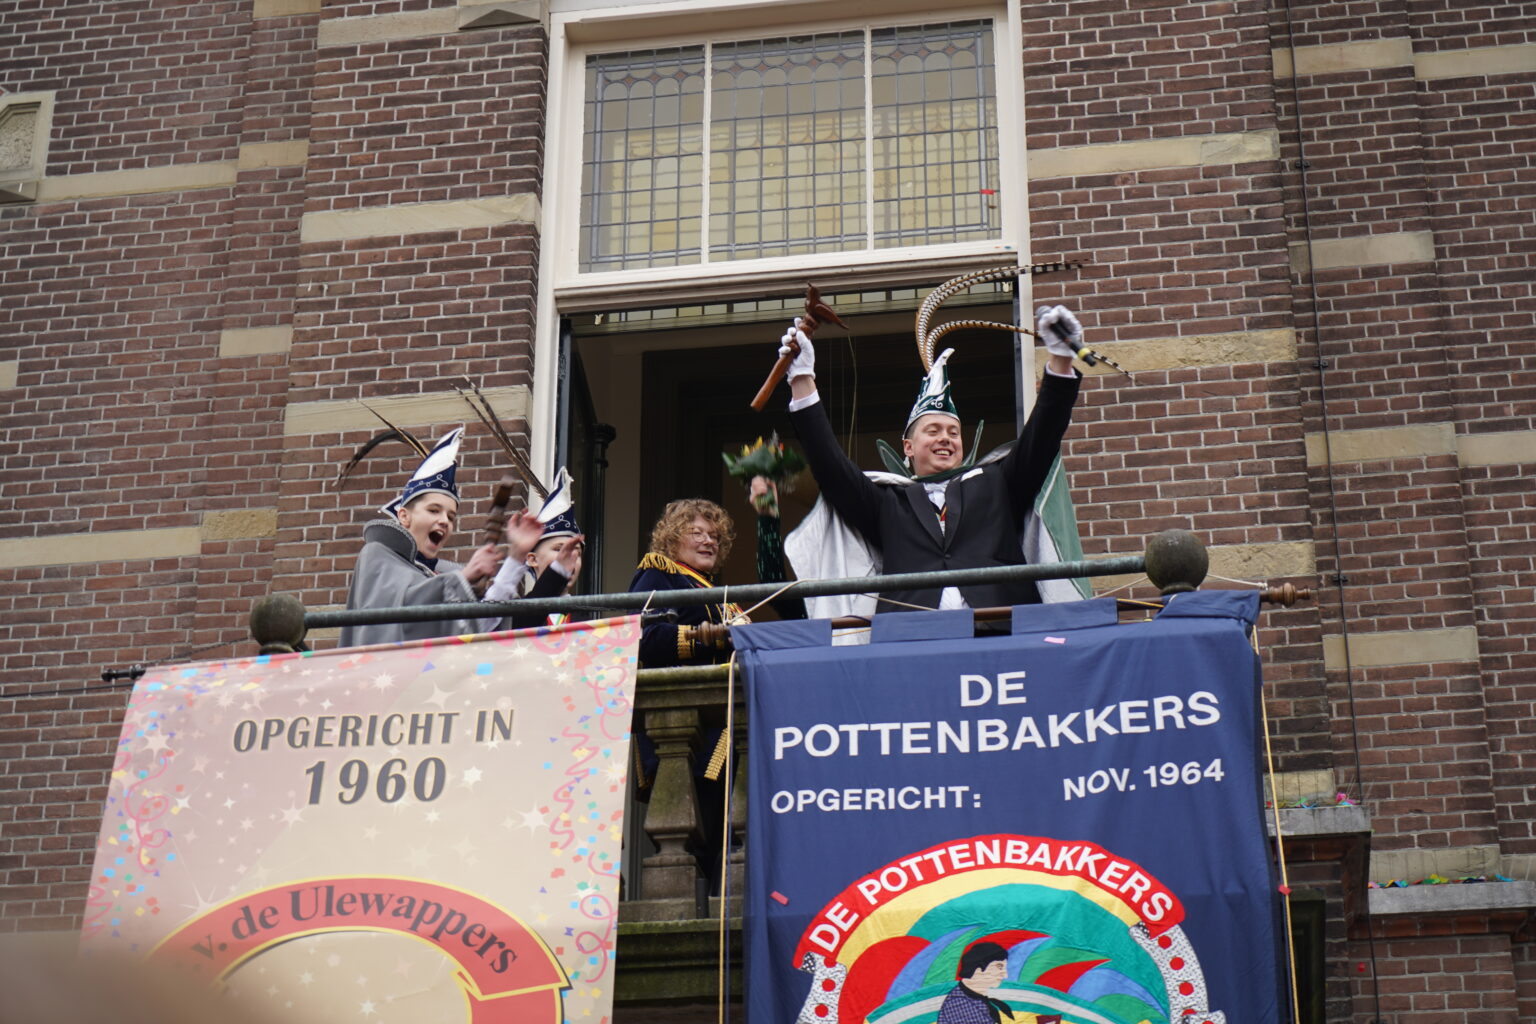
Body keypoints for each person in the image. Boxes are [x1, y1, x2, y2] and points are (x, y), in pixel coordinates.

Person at [778, 305, 1085, 615]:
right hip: (913, 636)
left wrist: (1060, 360)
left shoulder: (998, 483)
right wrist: (802, 378)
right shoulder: (887, 503)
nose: (945, 438)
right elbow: (831, 469)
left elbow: (1042, 438)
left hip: (1000, 628)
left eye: (953, 432)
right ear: (908, 447)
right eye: (933, 431)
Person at [338, 427, 542, 648]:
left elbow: (478, 630)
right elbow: (397, 622)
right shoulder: (377, 555)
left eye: (451, 516)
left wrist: (516, 556)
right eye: (434, 510)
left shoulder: (446, 574)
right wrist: (464, 577)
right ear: (404, 516)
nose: (444, 521)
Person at [628, 498, 741, 668]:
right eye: (697, 533)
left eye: (714, 536)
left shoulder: (711, 587)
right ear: (673, 538)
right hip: (684, 682)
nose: (709, 541)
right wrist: (716, 638)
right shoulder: (659, 571)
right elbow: (645, 637)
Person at [484, 466, 587, 630]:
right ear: (532, 559)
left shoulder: (589, 620)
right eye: (558, 549)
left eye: (578, 553)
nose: (570, 558)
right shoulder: (516, 615)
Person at [936, 942, 1017, 1024]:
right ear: (978, 968)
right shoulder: (958, 1003)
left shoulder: (974, 999)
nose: (1005, 975)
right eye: (999, 967)